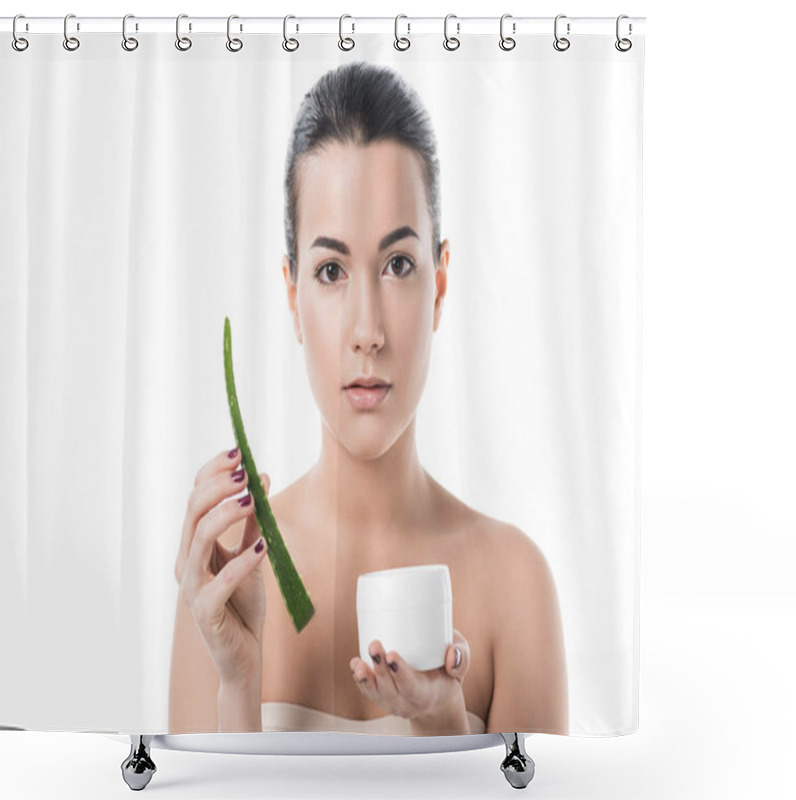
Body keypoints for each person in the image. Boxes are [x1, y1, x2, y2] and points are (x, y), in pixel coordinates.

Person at [169, 61, 568, 736]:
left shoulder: (516, 585)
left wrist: (444, 722)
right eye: (330, 271)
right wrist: (239, 684)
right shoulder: (225, 575)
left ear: (440, 284)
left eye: (398, 265)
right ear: (293, 297)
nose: (367, 332)